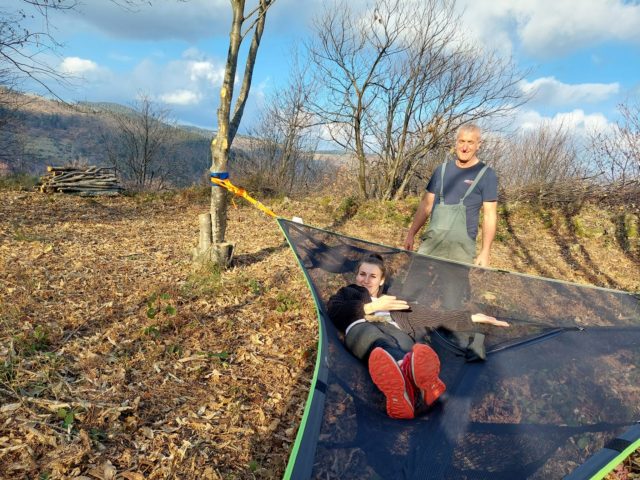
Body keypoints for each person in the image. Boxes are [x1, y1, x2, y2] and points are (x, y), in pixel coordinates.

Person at [327, 254, 509, 419]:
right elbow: (334, 310)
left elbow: (435, 317)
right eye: (362, 274)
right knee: (367, 333)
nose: (365, 280)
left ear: (382, 280)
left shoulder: (397, 303)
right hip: (363, 330)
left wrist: (472, 317)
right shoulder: (348, 293)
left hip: (398, 336)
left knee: (404, 341)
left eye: (372, 276)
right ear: (356, 276)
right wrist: (371, 307)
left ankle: (403, 390)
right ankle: (413, 378)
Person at [404, 123, 498, 267]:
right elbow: (426, 205)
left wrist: (485, 252)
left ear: (479, 145)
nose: (465, 147)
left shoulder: (486, 174)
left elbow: (489, 215)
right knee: (413, 286)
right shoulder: (441, 171)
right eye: (461, 141)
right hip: (431, 245)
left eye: (470, 142)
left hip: (460, 251)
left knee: (454, 290)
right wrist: (411, 234)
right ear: (456, 143)